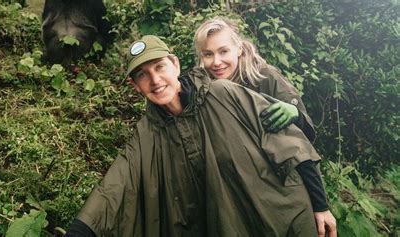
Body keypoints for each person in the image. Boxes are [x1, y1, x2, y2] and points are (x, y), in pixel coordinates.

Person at [65, 35, 336, 237]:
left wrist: (321, 205)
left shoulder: (224, 93)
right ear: (135, 86)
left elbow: (291, 146)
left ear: (175, 64)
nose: (155, 80)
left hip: (279, 216)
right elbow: (114, 188)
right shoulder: (147, 132)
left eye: (159, 67)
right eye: (143, 75)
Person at [194, 17, 316, 142]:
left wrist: (297, 115)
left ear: (239, 49)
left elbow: (307, 133)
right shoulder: (200, 91)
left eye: (224, 51)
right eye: (208, 54)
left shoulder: (264, 76)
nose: (216, 62)